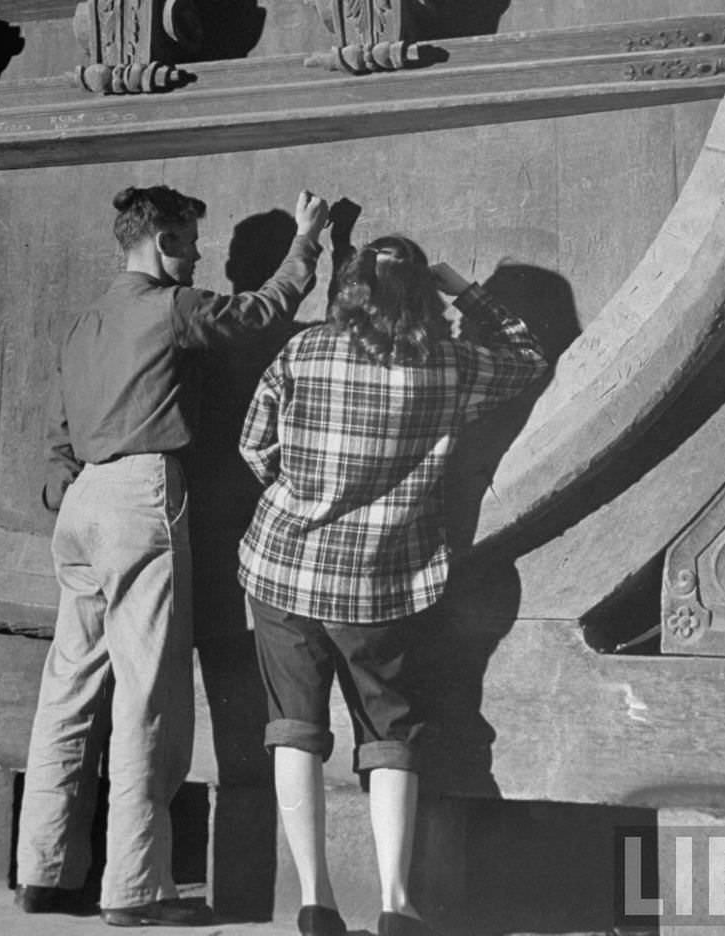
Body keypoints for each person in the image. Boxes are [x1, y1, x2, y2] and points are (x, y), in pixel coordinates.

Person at [15, 184, 329, 928]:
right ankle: (135, 886)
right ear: (163, 241)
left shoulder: (85, 321)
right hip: (140, 496)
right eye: (190, 243)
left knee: (66, 694)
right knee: (148, 693)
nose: (197, 259)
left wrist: (72, 489)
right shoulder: (174, 307)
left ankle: (43, 873)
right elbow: (256, 316)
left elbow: (59, 429)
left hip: (85, 500)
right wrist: (307, 241)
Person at [237, 236, 548, 936]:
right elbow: (527, 358)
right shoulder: (449, 365)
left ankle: (315, 900)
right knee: (390, 732)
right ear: (421, 295)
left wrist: (305, 494)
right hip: (381, 583)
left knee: (293, 728)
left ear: (349, 290)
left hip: (283, 567)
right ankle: (395, 901)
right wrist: (462, 287)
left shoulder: (305, 351)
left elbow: (254, 447)